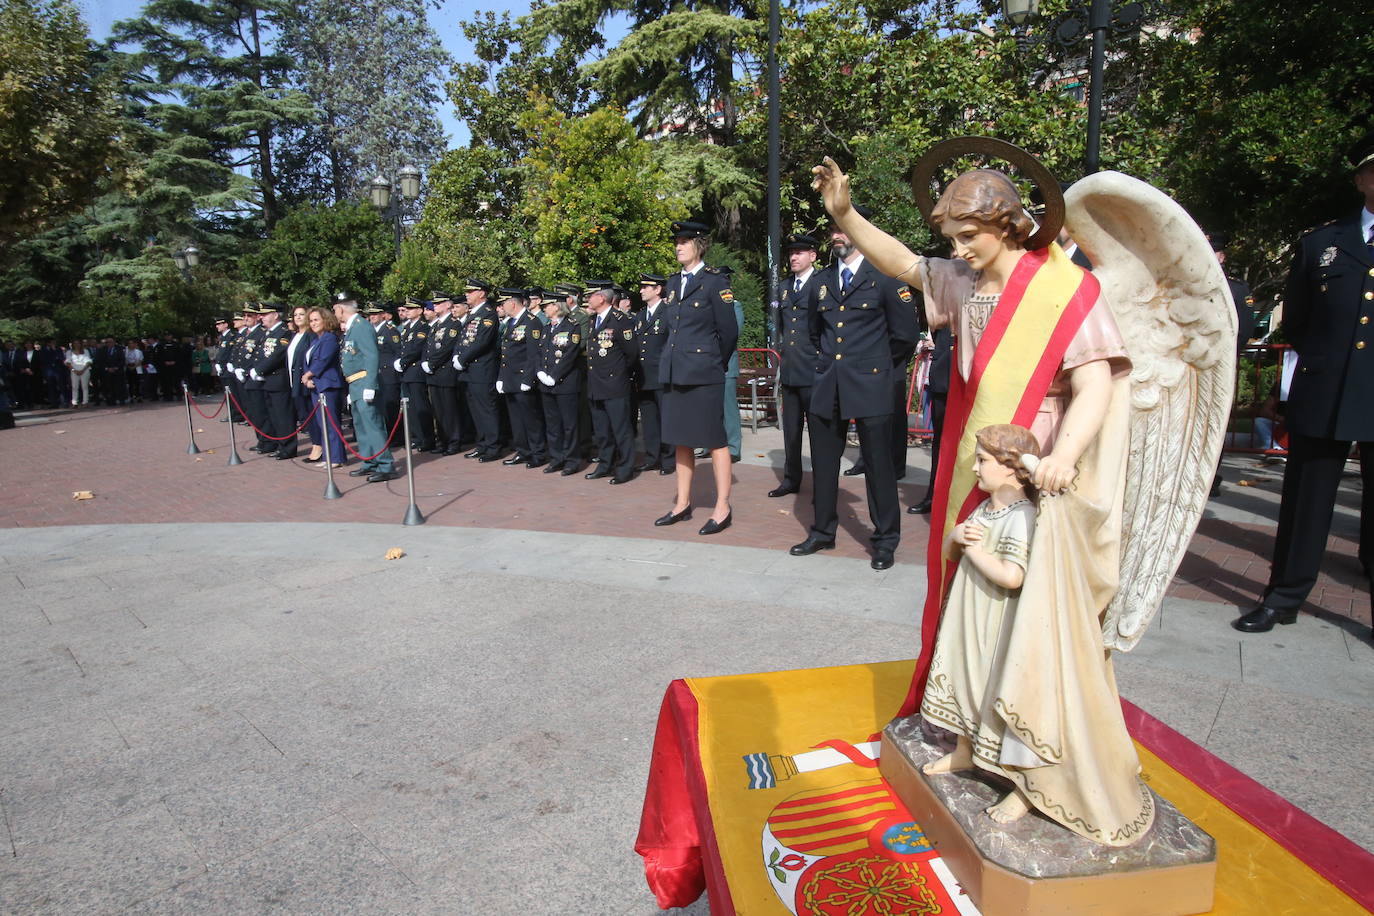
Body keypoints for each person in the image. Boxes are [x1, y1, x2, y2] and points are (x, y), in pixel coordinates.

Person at [813, 157, 1149, 846]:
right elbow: (905, 263)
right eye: (954, 236)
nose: (958, 249)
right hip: (975, 474)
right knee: (972, 617)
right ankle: (970, 738)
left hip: (1038, 482)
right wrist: (844, 215)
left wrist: (1060, 458)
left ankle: (1030, 771)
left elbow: (1095, 388)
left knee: (1029, 631)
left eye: (970, 235)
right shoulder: (962, 282)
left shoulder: (1067, 288)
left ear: (1005, 223)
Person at [1236, 130, 1374, 635]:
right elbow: (1298, 321)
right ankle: (1283, 596)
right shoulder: (1323, 243)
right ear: (1361, 179)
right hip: (1326, 389)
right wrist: (1287, 389)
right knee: (1305, 503)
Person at [919, 424, 1040, 823]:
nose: (975, 467)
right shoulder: (988, 507)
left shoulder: (1022, 517)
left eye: (983, 460)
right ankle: (965, 750)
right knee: (966, 680)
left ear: (1010, 468)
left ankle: (1023, 785)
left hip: (996, 618)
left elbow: (1012, 576)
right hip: (970, 612)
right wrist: (958, 535)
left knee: (994, 690)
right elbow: (952, 549)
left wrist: (972, 548)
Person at [789, 207, 919, 571]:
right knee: (825, 464)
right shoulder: (823, 281)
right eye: (833, 229)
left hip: (871, 384)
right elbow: (814, 332)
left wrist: (875, 369)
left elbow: (905, 336)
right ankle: (822, 530)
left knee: (879, 465)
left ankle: (885, 539)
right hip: (828, 385)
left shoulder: (887, 277)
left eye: (843, 229)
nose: (836, 235)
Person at [654, 220, 739, 535]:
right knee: (680, 438)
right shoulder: (673, 283)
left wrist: (714, 362)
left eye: (685, 241)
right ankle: (682, 503)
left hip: (704, 373)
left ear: (699, 245)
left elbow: (728, 331)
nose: (678, 246)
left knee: (715, 440)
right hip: (676, 371)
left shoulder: (716, 282)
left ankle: (722, 506)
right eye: (677, 240)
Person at [770, 233, 821, 497]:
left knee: (819, 434)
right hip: (790, 370)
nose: (793, 257)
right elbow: (781, 325)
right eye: (791, 252)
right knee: (791, 432)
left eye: (800, 252)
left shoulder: (822, 284)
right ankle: (791, 480)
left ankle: (821, 487)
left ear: (812, 255)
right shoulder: (785, 287)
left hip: (813, 370)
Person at [334, 293, 397, 482]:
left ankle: (386, 465)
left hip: (364, 382)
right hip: (355, 383)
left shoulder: (361, 327)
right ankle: (369, 461)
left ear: (342, 308)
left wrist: (370, 385)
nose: (335, 313)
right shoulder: (353, 328)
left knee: (373, 425)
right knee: (361, 426)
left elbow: (371, 356)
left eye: (335, 309)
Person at [583, 287, 637, 484]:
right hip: (596, 383)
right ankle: (605, 464)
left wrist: (619, 374)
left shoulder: (620, 320)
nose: (587, 299)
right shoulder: (593, 320)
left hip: (614, 383)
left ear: (601, 298)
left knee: (620, 429)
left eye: (591, 295)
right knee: (602, 430)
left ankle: (625, 468)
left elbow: (631, 353)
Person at [453, 279, 502, 461]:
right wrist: (457, 356)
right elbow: (464, 338)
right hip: (469, 370)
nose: (467, 294)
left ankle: (493, 447)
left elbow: (482, 341)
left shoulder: (488, 314)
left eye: (471, 291)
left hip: (482, 369)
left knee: (486, 409)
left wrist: (463, 358)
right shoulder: (474, 314)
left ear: (481, 293)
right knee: (475, 409)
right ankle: (481, 444)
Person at [537, 294, 585, 475]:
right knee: (552, 424)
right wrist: (540, 371)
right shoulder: (547, 327)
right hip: (546, 383)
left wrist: (555, 376)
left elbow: (569, 355)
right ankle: (556, 458)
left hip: (565, 383)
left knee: (569, 425)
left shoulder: (572, 326)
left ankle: (572, 461)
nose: (544, 308)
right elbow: (540, 352)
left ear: (556, 307)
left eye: (547, 305)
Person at [909, 328, 953, 515]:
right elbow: (938, 330)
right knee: (941, 443)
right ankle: (934, 495)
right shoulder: (947, 301)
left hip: (973, 379)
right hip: (944, 376)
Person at [634, 273, 674, 474]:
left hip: (662, 375)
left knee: (666, 419)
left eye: (645, 287)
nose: (641, 290)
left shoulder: (668, 312)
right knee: (649, 419)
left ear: (657, 290)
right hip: (644, 376)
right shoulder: (640, 315)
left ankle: (669, 459)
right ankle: (652, 457)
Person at [301, 305, 345, 467]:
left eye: (316, 320)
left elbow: (323, 361)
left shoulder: (330, 338)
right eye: (311, 320)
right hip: (315, 385)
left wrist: (308, 375)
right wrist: (307, 377)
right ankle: (327, 456)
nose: (313, 323)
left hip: (328, 385)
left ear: (325, 320)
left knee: (332, 422)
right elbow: (308, 361)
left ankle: (337, 457)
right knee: (322, 423)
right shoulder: (315, 340)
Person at [251, 303, 296, 459]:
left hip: (279, 380)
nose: (261, 317)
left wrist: (259, 369)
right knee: (274, 416)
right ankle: (279, 445)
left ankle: (288, 448)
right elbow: (261, 354)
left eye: (264, 314)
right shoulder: (268, 333)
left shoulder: (283, 333)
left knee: (283, 416)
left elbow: (278, 355)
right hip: (268, 380)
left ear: (275, 315)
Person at [395, 298, 435, 453]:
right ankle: (417, 438)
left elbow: (416, 348)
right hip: (406, 372)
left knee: (421, 406)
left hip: (415, 371)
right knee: (411, 408)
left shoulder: (422, 327)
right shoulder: (407, 328)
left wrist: (403, 361)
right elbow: (402, 346)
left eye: (412, 308)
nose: (408, 311)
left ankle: (427, 439)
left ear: (419, 310)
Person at [368, 303, 403, 447]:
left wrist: (394, 368)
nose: (372, 316)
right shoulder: (372, 330)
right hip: (379, 375)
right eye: (371, 314)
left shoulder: (389, 330)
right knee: (384, 408)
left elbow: (398, 350)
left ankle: (397, 437)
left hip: (389, 374)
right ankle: (389, 436)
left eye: (375, 313)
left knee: (392, 408)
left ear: (383, 314)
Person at [286, 305, 319, 461]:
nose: (298, 317)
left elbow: (312, 358)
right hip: (295, 381)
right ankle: (316, 443)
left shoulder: (311, 335)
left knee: (311, 415)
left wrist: (309, 376)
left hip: (306, 381)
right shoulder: (295, 336)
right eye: (295, 315)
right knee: (305, 416)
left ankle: (318, 446)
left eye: (301, 314)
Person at [66, 341, 93, 406]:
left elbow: (89, 361)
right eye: (75, 343)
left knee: (85, 387)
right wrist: (74, 370)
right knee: (75, 387)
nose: (77, 345)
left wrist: (83, 370)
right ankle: (74, 402)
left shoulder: (85, 351)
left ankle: (85, 402)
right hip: (74, 371)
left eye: (78, 343)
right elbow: (68, 363)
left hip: (84, 370)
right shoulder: (69, 352)